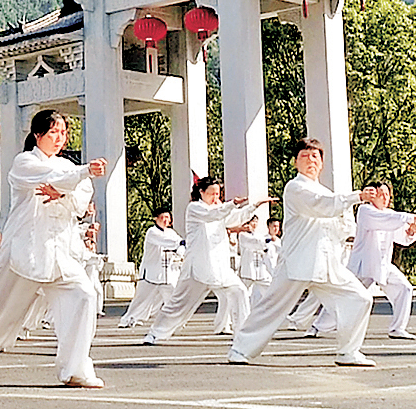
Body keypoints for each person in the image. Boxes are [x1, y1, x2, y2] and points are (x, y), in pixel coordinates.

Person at [0, 110, 107, 388]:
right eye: (53, 132)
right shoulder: (24, 162)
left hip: (59, 253)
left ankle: (75, 369)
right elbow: (59, 177)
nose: (60, 138)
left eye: (64, 132)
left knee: (84, 294)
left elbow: (82, 194)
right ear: (37, 135)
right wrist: (81, 174)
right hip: (25, 252)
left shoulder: (65, 164)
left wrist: (66, 189)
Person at [227, 139, 384, 367]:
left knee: (360, 298)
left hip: (325, 264)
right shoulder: (295, 187)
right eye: (304, 156)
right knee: (271, 307)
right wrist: (356, 197)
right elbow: (321, 205)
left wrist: (346, 223)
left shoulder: (326, 191)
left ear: (321, 163)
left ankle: (348, 352)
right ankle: (240, 350)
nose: (310, 160)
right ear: (295, 162)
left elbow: (340, 222)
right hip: (297, 262)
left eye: (315, 157)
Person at [143, 177, 263, 344]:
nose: (215, 196)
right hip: (197, 268)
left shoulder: (220, 208)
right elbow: (212, 215)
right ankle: (155, 334)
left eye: (218, 193)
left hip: (219, 267)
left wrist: (254, 206)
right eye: (211, 193)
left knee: (240, 292)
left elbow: (233, 218)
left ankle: (243, 336)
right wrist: (232, 204)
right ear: (201, 192)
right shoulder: (195, 208)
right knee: (178, 304)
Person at [341, 183, 416, 340]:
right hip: (363, 265)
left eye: (387, 195)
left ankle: (398, 328)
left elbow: (401, 238)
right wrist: (415, 217)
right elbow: (387, 220)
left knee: (405, 288)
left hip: (382, 264)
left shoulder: (390, 214)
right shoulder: (365, 211)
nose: (385, 198)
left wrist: (409, 232)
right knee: (347, 296)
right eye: (381, 194)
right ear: (373, 195)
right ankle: (318, 326)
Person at [120, 209, 183, 329]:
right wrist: (181, 243)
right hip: (150, 274)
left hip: (166, 276)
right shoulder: (152, 232)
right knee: (141, 299)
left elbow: (179, 246)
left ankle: (176, 321)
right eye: (163, 217)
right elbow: (170, 242)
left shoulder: (171, 232)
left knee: (173, 297)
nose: (165, 220)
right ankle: (128, 319)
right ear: (156, 218)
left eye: (167, 217)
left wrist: (182, 251)